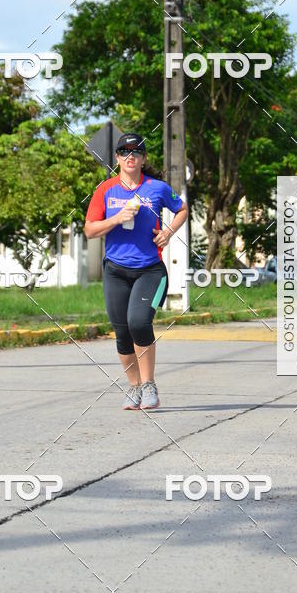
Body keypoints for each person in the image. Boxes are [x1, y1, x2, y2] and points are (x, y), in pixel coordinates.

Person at [84, 132, 188, 410]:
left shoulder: (158, 188)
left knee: (139, 322)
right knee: (122, 332)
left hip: (151, 271)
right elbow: (90, 230)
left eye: (136, 152)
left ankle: (149, 384)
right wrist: (117, 218)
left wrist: (168, 231)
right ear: (117, 158)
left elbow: (182, 208)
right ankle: (134, 387)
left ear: (143, 159)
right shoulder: (105, 190)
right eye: (124, 152)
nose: (130, 157)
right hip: (115, 271)